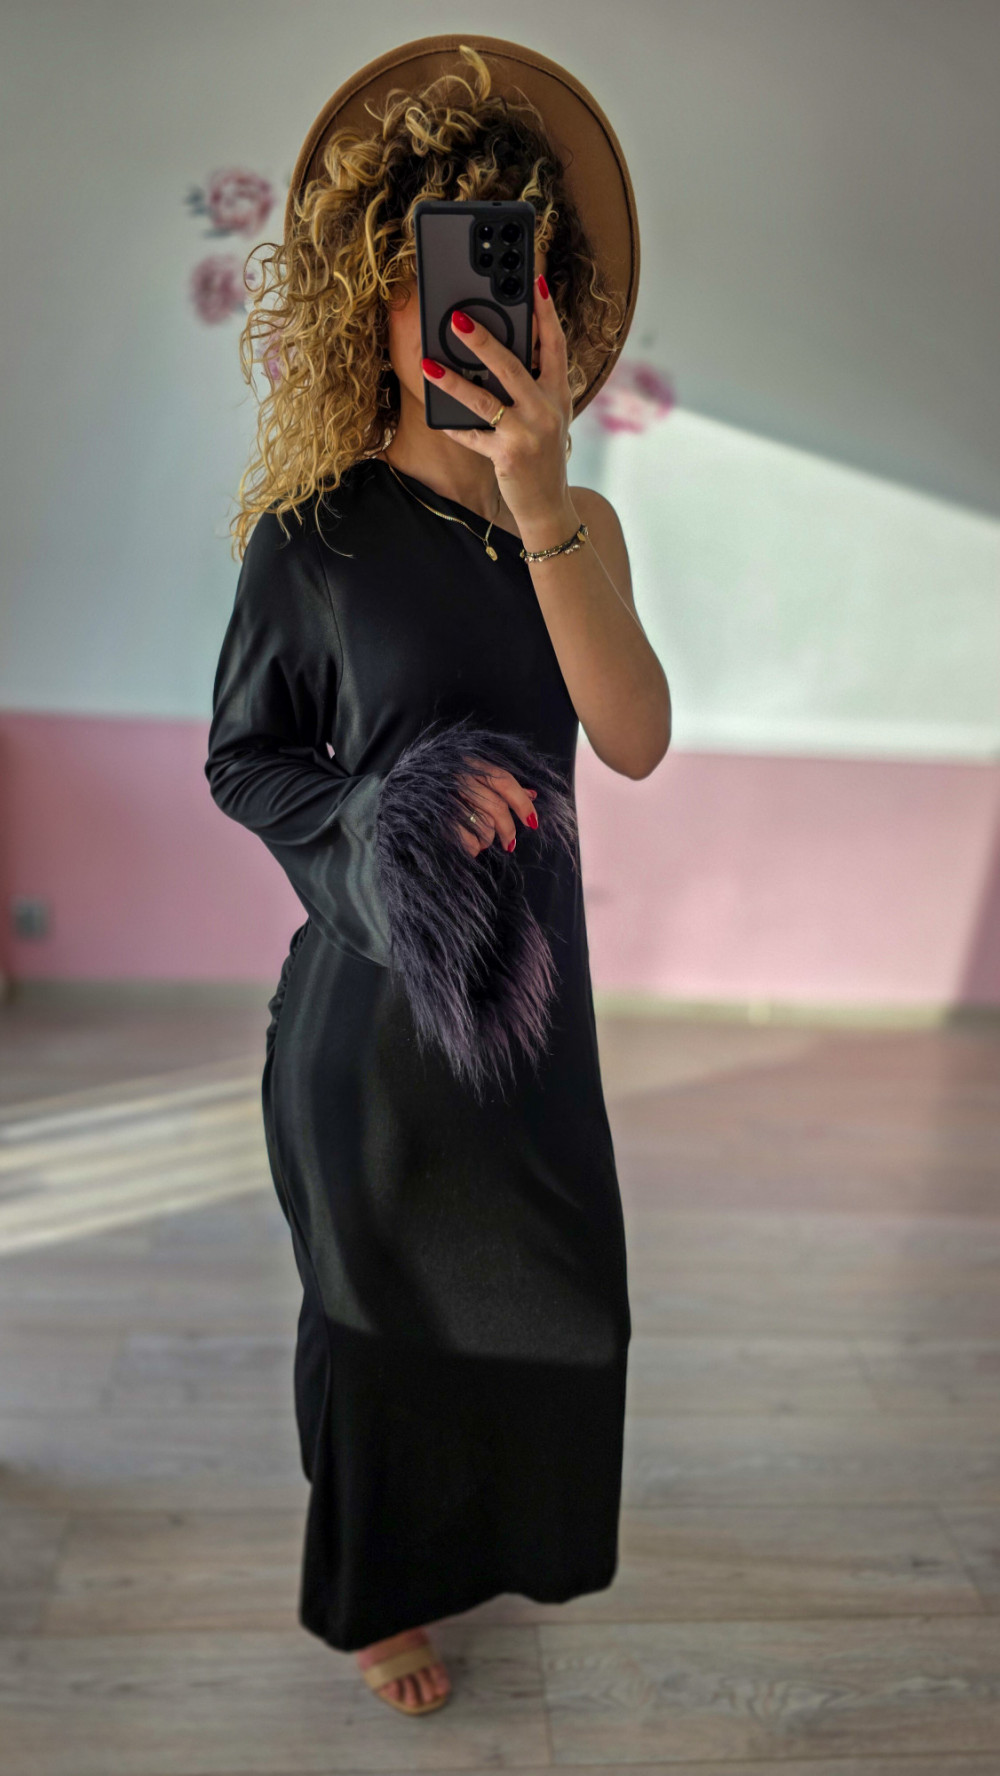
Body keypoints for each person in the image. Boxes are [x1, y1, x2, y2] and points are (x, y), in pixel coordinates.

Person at [205, 36, 671, 1718]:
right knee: (378, 1319)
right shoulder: (313, 535)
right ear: (371, 308)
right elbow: (248, 756)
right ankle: (381, 1595)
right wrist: (387, 823)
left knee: (564, 1304)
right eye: (428, 286)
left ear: (553, 310)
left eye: (499, 283)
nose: (462, 322)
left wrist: (543, 501)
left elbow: (633, 738)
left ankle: (486, 1542)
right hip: (373, 1024)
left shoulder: (582, 526)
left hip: (534, 1023)